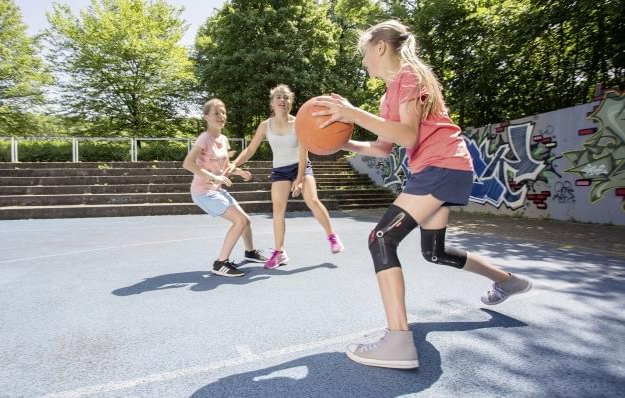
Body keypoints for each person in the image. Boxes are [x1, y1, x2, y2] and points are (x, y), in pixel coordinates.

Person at [312, 20, 532, 369]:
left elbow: (409, 136)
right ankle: (508, 281)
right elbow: (386, 146)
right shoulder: (389, 95)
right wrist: (342, 141)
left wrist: (352, 112)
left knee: (381, 238)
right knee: (435, 251)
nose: (362, 59)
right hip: (443, 169)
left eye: (364, 51)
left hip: (440, 167)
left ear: (380, 47)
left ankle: (398, 340)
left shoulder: (408, 76)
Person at [227, 84, 344, 269]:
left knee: (312, 200)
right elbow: (250, 150)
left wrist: (299, 179)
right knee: (278, 209)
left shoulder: (299, 122)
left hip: (301, 166)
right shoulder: (265, 126)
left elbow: (303, 152)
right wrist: (235, 164)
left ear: (291, 101)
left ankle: (332, 236)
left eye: (286, 97)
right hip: (280, 170)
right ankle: (279, 252)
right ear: (272, 102)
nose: (283, 100)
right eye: (279, 97)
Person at [183, 98, 268, 277]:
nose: (221, 116)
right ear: (206, 117)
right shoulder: (204, 138)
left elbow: (225, 167)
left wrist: (239, 172)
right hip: (203, 192)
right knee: (240, 221)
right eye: (216, 113)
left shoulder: (223, 139)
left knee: (246, 221)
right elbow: (188, 163)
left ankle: (250, 253)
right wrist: (214, 177)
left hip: (217, 190)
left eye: (223, 113)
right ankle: (221, 263)